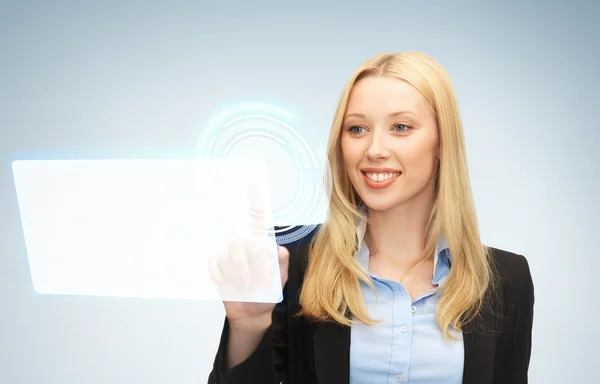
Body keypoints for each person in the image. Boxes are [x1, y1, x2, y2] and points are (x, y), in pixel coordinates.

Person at [207, 51, 535, 384]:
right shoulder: (291, 263)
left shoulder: (507, 280)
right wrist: (247, 326)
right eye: (358, 128)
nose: (375, 149)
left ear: (441, 142)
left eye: (401, 127)